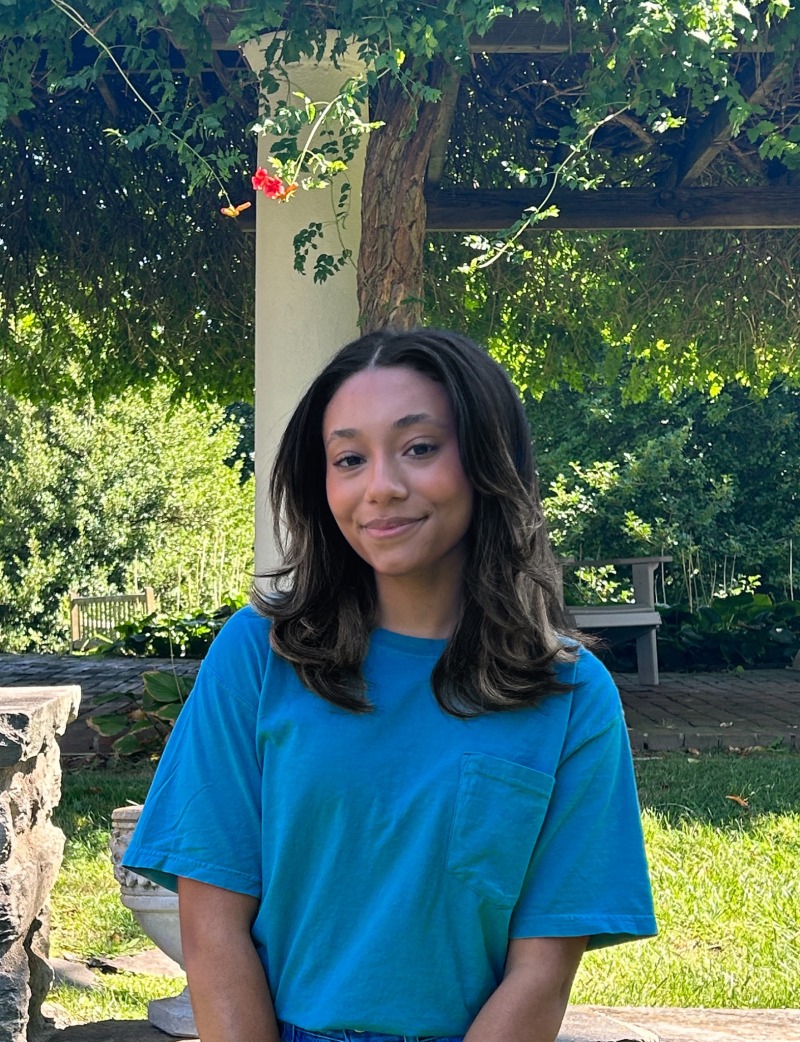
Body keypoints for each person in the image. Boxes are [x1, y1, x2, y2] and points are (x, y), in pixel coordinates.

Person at [124, 327, 656, 1042]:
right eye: (349, 458)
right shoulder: (258, 656)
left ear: (487, 459)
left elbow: (543, 970)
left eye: (419, 448)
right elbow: (213, 924)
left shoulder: (569, 694)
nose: (381, 487)